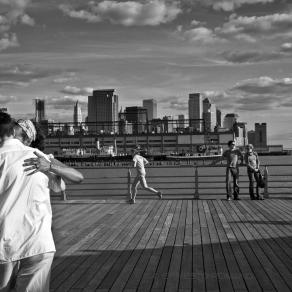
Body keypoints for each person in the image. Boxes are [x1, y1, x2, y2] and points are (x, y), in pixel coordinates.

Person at [0, 114, 83, 292]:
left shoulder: (41, 158)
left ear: (17, 132)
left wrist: (49, 166)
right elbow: (75, 179)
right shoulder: (39, 157)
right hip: (38, 243)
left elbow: (77, 177)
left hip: (5, 243)